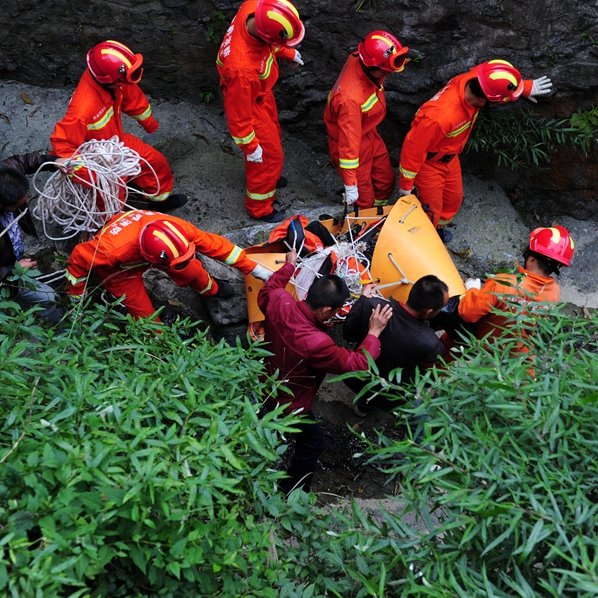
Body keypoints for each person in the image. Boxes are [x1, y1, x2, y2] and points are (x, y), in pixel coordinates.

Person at [257, 248, 392, 492]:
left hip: (265, 379)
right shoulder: (318, 344)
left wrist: (289, 266)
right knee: (312, 445)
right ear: (327, 311)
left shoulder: (280, 300)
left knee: (267, 418)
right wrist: (373, 332)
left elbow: (267, 291)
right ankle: (293, 492)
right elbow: (358, 364)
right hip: (291, 402)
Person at [398, 59, 553, 243]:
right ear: (485, 100)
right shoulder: (439, 117)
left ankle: (436, 229)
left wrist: (524, 87)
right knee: (430, 210)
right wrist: (406, 187)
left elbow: (494, 80)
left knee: (453, 200)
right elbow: (413, 148)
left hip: (449, 157)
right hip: (429, 164)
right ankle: (423, 241)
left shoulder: (473, 80)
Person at [51, 40, 187, 213]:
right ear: (108, 81)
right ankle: (103, 230)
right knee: (110, 197)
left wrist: (149, 125)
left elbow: (134, 99)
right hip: (96, 159)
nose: (127, 84)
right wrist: (95, 178)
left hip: (116, 143)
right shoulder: (82, 109)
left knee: (156, 164)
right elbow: (64, 148)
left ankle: (157, 204)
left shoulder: (115, 81)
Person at [65, 209, 270, 319]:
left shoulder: (179, 230)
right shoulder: (108, 251)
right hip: (121, 272)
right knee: (143, 316)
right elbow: (77, 264)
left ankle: (212, 290)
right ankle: (160, 345)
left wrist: (254, 268)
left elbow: (219, 247)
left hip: (159, 255)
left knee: (193, 272)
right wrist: (77, 297)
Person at [216, 0, 305, 223]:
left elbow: (268, 40)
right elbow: (239, 113)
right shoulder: (241, 69)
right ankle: (259, 207)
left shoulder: (255, 7)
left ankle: (270, 179)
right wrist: (249, 145)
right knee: (267, 158)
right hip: (249, 101)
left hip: (260, 95)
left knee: (274, 136)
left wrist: (286, 52)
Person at [324, 30, 408, 210]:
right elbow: (348, 144)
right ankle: (364, 222)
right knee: (363, 200)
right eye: (386, 71)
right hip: (353, 146)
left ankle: (376, 212)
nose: (388, 75)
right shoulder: (350, 99)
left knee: (386, 182)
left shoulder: (360, 58)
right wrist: (350, 184)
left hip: (368, 132)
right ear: (373, 66)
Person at [343, 275, 448, 417]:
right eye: (440, 308)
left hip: (355, 377)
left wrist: (362, 301)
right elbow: (426, 376)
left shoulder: (374, 307)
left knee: (367, 396)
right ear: (429, 311)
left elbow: (348, 334)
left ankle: (362, 408)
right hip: (388, 393)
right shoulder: (431, 344)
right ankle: (364, 409)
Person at [456, 226, 574, 342]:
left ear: (532, 258)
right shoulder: (554, 291)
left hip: (481, 343)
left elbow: (467, 314)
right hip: (517, 352)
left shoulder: (502, 283)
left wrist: (472, 289)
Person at [0, 153, 66, 323]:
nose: (21, 207)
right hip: (7, 269)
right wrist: (13, 269)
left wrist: (53, 161)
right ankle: (62, 338)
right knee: (50, 299)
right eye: (16, 206)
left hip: (10, 257)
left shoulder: (6, 174)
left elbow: (23, 161)